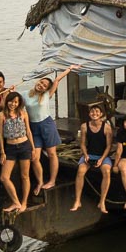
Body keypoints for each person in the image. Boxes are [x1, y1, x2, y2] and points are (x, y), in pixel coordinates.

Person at [25, 64, 80, 195]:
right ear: (37, 81)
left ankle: (52, 180)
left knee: (51, 154)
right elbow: (12, 101)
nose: (42, 85)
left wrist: (69, 69)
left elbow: (56, 80)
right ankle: (40, 182)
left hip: (47, 125)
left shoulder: (46, 95)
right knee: (35, 157)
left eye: (45, 85)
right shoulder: (25, 94)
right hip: (34, 127)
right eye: (41, 82)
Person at [0, 91, 35, 212]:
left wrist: (33, 148)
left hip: (24, 146)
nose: (13, 104)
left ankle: (24, 203)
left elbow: (28, 131)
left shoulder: (23, 113)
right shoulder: (1, 115)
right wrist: (2, 152)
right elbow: (0, 134)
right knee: (4, 177)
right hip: (10, 148)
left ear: (19, 103)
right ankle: (16, 202)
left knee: (25, 176)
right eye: (11, 101)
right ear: (7, 101)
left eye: (16, 102)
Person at [72, 104, 113, 214]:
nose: (94, 114)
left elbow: (109, 146)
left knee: (107, 172)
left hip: (103, 155)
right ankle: (77, 200)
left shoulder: (107, 127)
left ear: (101, 114)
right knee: (80, 171)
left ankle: (102, 201)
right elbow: (83, 144)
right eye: (92, 112)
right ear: (89, 114)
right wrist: (85, 155)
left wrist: (102, 159)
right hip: (89, 154)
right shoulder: (84, 126)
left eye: (97, 112)